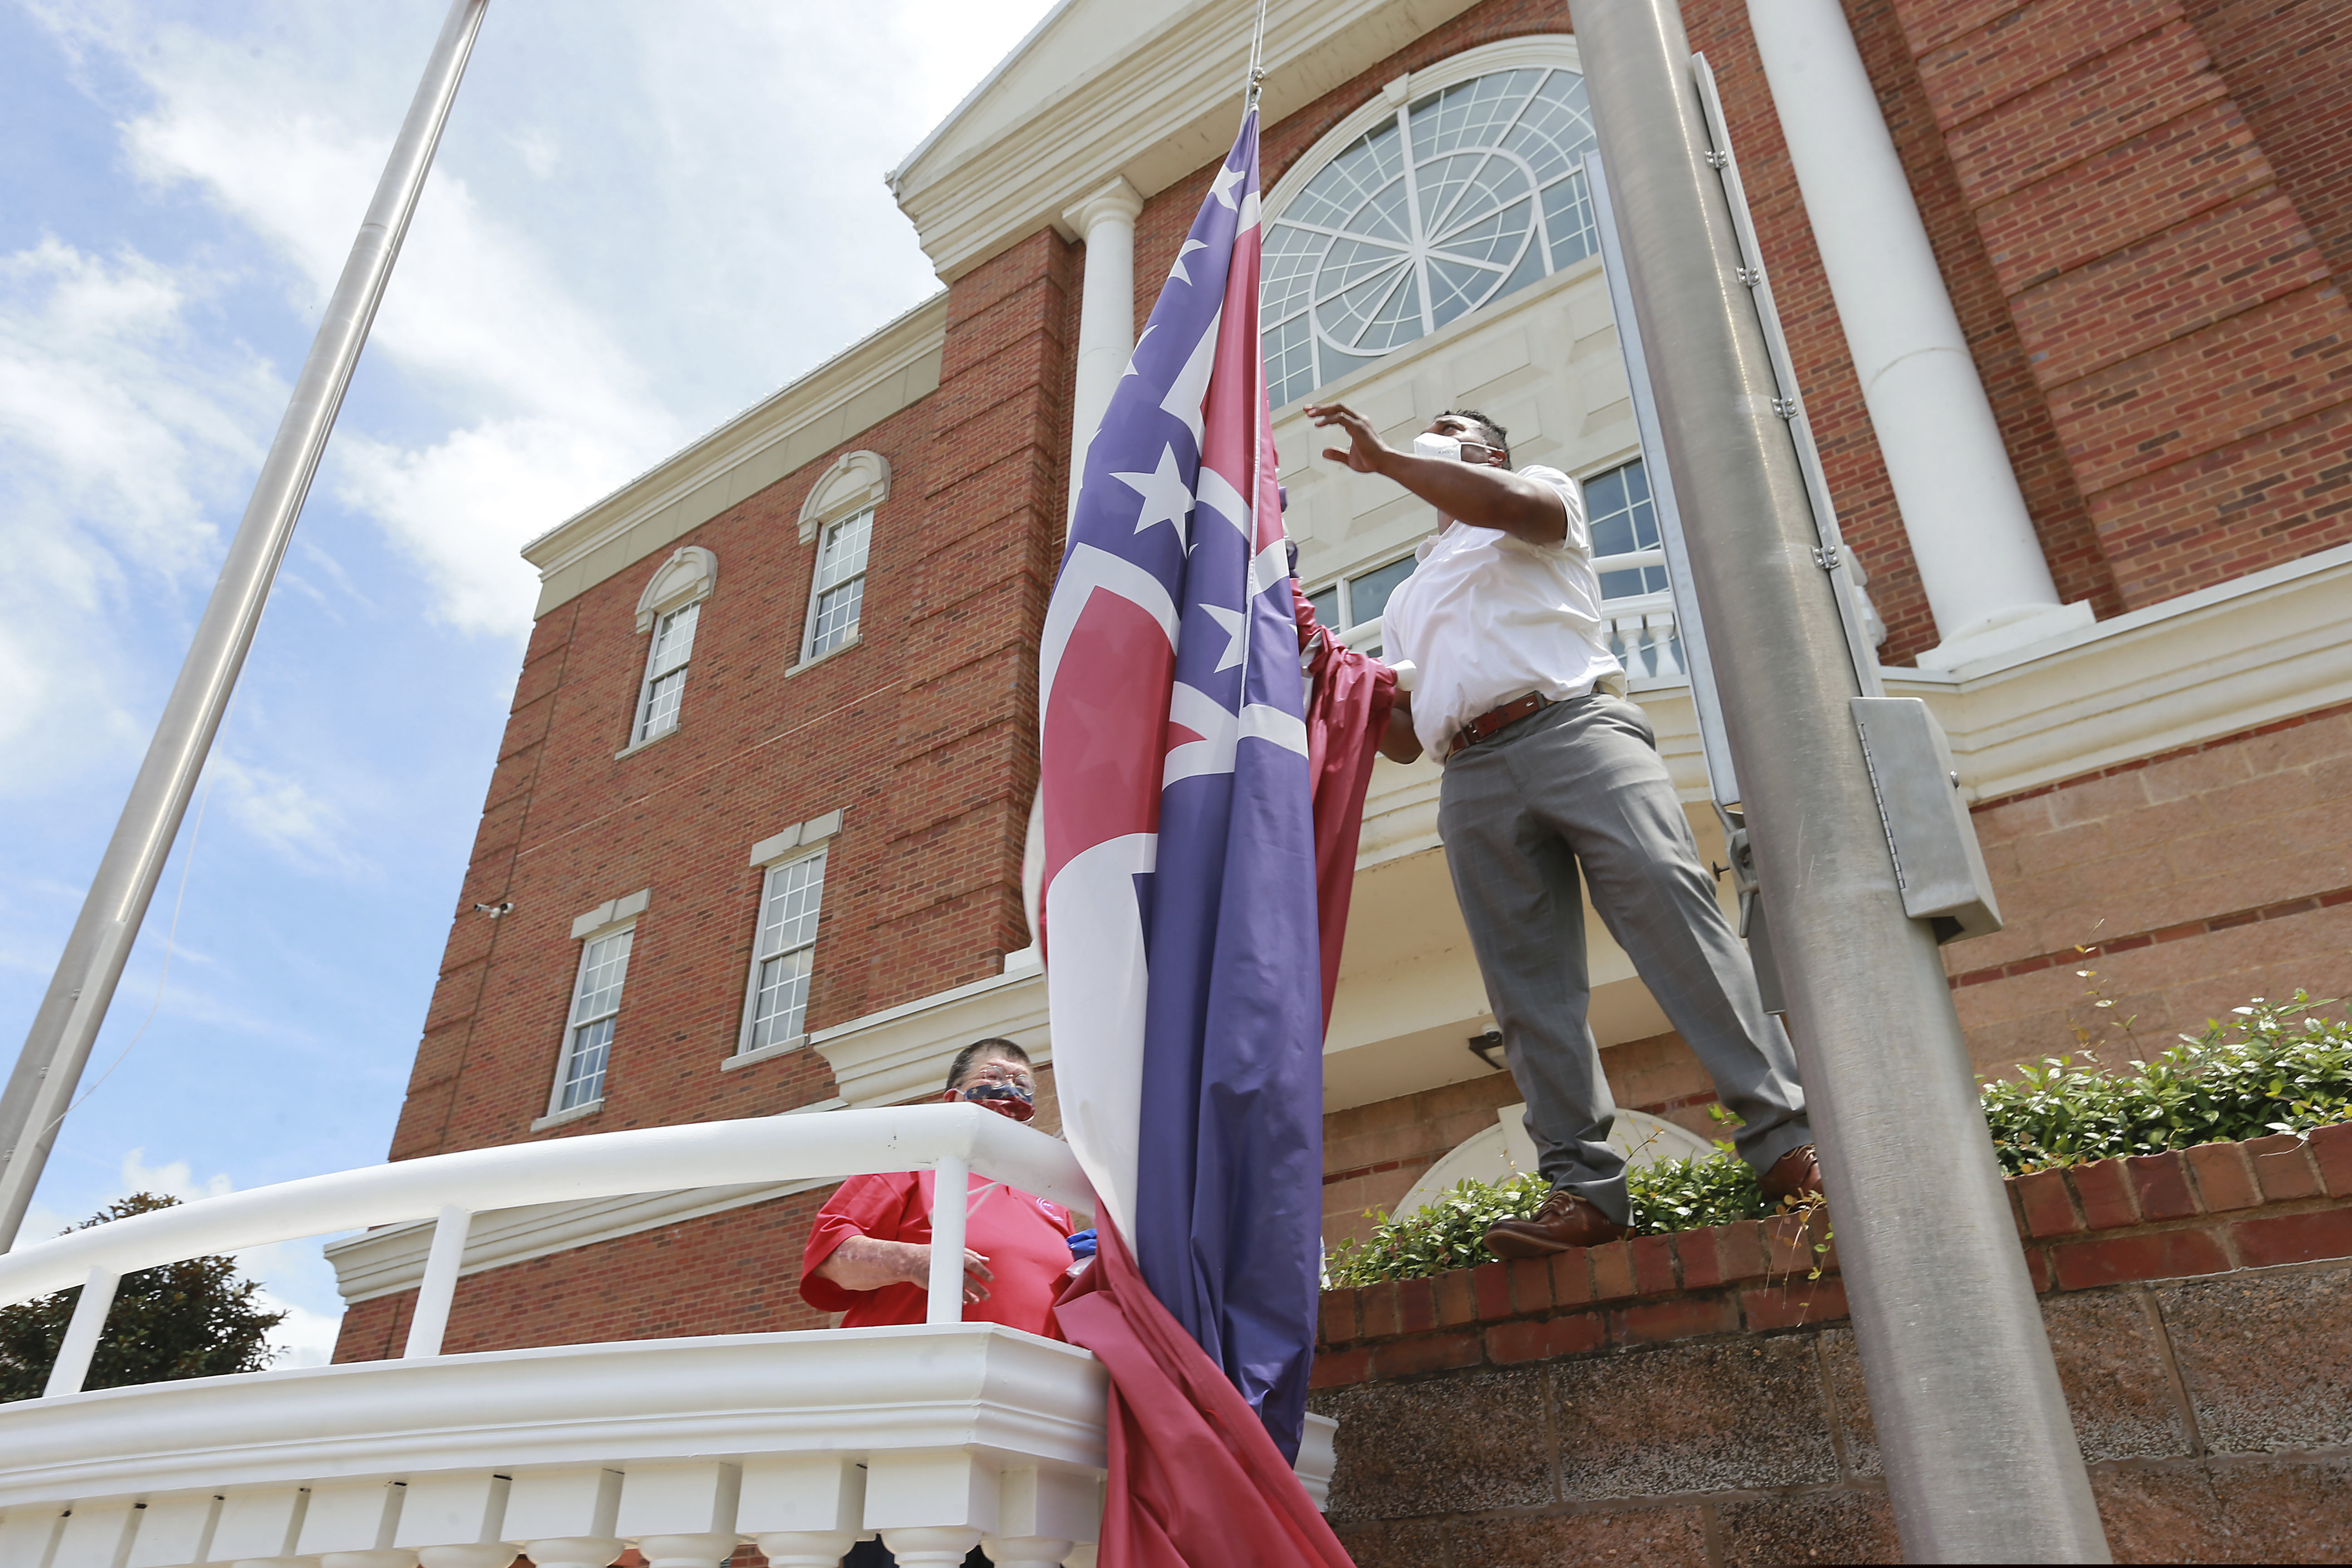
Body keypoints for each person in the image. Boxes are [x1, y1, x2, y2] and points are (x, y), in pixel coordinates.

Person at [1303, 402, 1823, 1254]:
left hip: (1574, 730)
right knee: (1524, 988)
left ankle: (1783, 1139)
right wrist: (1330, 671)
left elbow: (1514, 510)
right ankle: (1581, 1187)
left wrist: (1393, 460)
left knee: (1671, 913)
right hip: (1468, 772)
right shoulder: (1406, 594)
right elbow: (1399, 741)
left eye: (1451, 427)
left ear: (1489, 451)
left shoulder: (1537, 491)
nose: (1430, 431)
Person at [799, 1038, 1083, 1333]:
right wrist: (911, 1261)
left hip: (1036, 1374)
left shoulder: (1050, 1196)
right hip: (915, 1371)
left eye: (1023, 1085)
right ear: (952, 1099)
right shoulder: (912, 1163)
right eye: (992, 1077)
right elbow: (830, 1258)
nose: (1010, 1090)